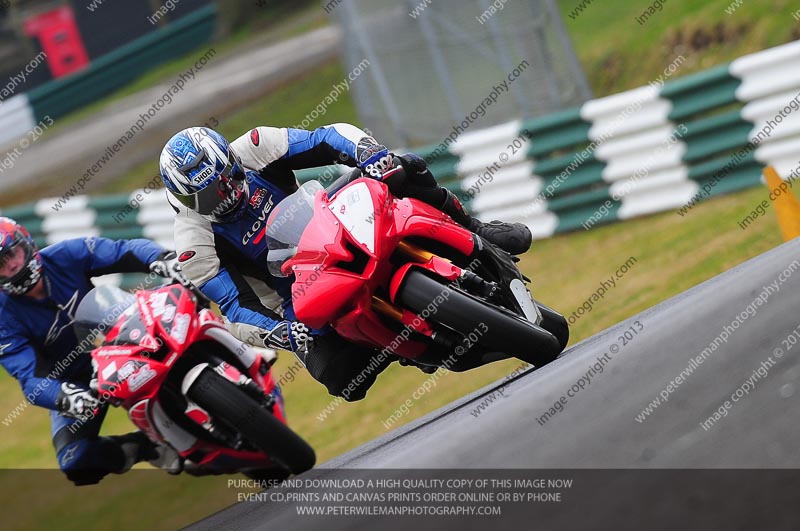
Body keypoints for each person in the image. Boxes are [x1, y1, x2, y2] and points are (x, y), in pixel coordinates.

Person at [159, 123, 532, 401]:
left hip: (330, 222)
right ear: (184, 200)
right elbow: (235, 308)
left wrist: (369, 153)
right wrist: (282, 333)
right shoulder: (193, 246)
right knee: (342, 380)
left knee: (402, 167)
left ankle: (476, 229)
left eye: (225, 180)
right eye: (208, 197)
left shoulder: (256, 145)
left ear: (232, 161)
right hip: (296, 291)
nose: (224, 197)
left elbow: (326, 138)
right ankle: (395, 341)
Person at [0, 218, 181, 485]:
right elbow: (30, 378)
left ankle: (246, 367)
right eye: (0, 265)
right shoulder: (3, 319)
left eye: (11, 254)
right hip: (79, 384)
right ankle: (146, 446)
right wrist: (63, 396)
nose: (12, 266)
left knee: (185, 317)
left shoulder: (66, 254)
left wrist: (162, 258)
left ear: (25, 244)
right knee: (76, 461)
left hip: (126, 343)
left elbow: (124, 250)